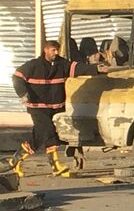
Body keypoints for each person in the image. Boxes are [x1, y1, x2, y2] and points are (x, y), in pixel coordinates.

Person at [10, 40, 105, 178]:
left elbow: (77, 68)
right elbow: (17, 77)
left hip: (55, 107)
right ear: (45, 50)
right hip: (37, 107)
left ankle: (16, 160)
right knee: (49, 133)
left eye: (57, 50)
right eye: (53, 50)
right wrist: (23, 94)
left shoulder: (62, 64)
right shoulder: (33, 65)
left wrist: (96, 69)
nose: (55, 53)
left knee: (40, 138)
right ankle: (55, 166)